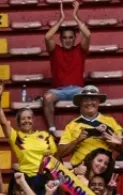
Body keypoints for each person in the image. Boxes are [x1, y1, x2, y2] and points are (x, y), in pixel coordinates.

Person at [43, 0, 91, 132]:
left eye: (71, 37)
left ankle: (85, 127)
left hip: (77, 90)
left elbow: (87, 34)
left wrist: (75, 16)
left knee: (89, 95)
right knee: (47, 97)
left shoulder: (80, 50)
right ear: (61, 39)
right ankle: (52, 129)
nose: (68, 40)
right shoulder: (55, 50)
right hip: (59, 91)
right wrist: (61, 20)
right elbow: (47, 37)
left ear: (75, 39)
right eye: (65, 37)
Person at [57, 86, 123, 166]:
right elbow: (60, 153)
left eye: (93, 99)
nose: (89, 103)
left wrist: (108, 138)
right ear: (80, 103)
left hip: (103, 168)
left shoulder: (111, 122)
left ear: (98, 102)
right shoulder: (71, 125)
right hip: (79, 170)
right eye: (85, 100)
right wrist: (77, 141)